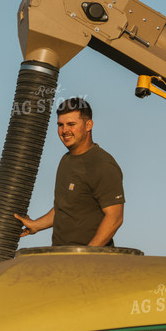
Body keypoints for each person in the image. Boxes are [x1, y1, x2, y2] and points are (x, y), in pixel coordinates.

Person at [14, 98, 124, 246]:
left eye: (71, 124)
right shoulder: (66, 160)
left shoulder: (102, 164)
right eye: (60, 125)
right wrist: (36, 225)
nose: (65, 130)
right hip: (61, 259)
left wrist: (86, 255)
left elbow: (115, 217)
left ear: (88, 125)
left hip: (91, 264)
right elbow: (65, 207)